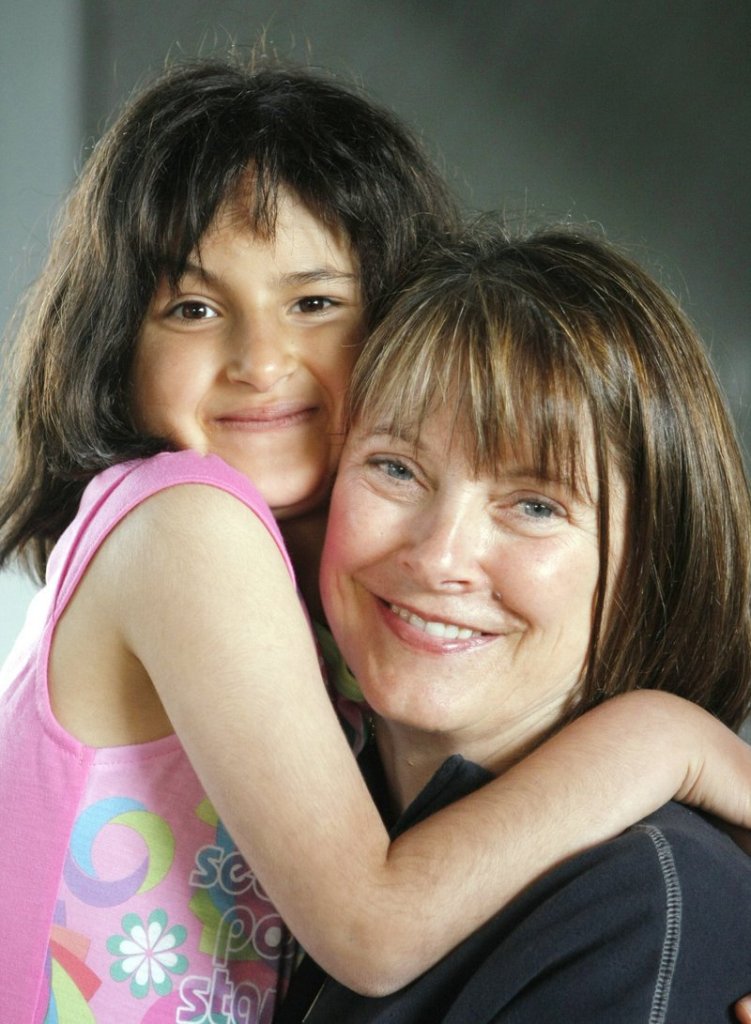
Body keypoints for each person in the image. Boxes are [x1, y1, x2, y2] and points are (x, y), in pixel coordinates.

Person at [0, 55, 749, 1024]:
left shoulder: (329, 611)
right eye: (192, 307)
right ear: (114, 342)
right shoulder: (186, 522)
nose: (260, 360)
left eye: (313, 302)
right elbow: (371, 923)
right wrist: (669, 740)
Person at [279, 222, 751, 1022]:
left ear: (649, 569)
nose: (438, 559)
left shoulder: (640, 904)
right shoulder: (288, 824)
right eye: (394, 468)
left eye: (534, 505)